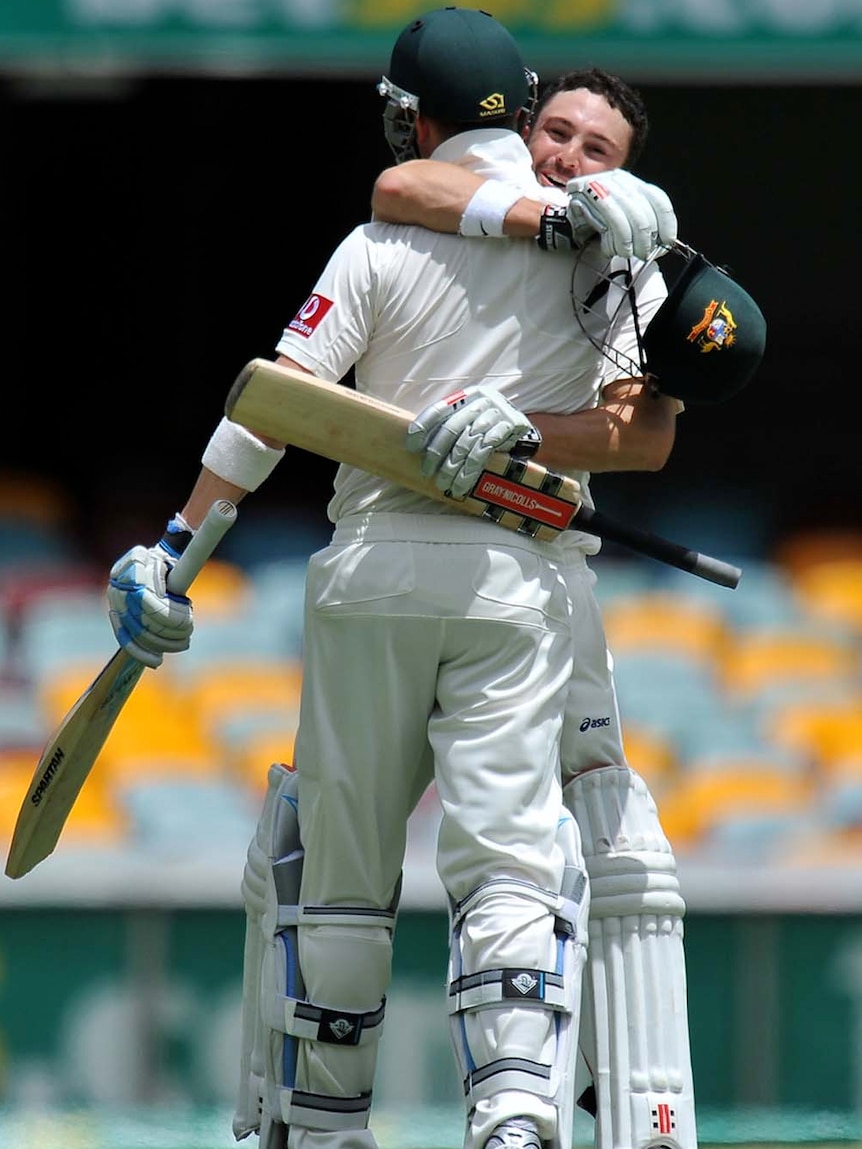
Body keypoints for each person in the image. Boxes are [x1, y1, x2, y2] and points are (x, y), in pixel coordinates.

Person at [104, 10, 680, 1149]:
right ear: (520, 120)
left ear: (416, 114)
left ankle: (324, 1122)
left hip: (368, 570)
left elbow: (268, 406)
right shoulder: (614, 256)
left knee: (342, 867)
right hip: (512, 583)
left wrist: (178, 548)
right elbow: (644, 418)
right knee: (510, 853)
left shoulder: (377, 248)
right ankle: (513, 1108)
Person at [371, 68, 700, 1149]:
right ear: (519, 132)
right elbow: (396, 188)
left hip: (540, 562)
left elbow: (641, 435)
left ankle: (635, 1111)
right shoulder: (460, 200)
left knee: (610, 826)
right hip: (395, 554)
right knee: (334, 847)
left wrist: (513, 421)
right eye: (552, 131)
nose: (567, 155)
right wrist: (540, 208)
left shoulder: (631, 263)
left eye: (595, 149)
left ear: (627, 171)